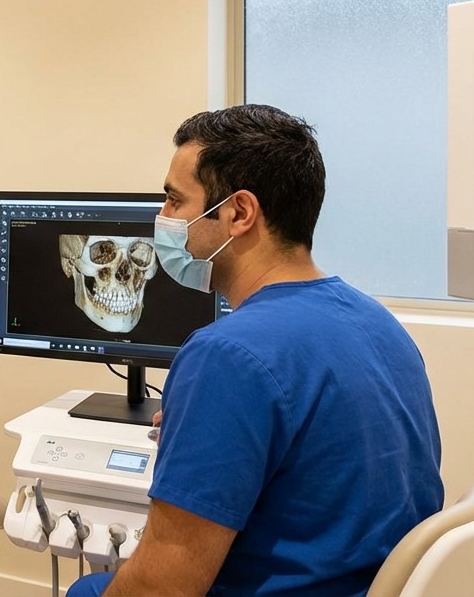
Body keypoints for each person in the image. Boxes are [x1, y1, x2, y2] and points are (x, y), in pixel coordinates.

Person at [70, 104, 442, 597]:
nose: (162, 218)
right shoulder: (377, 321)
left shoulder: (227, 355)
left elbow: (160, 590)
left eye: (174, 200)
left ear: (239, 213)